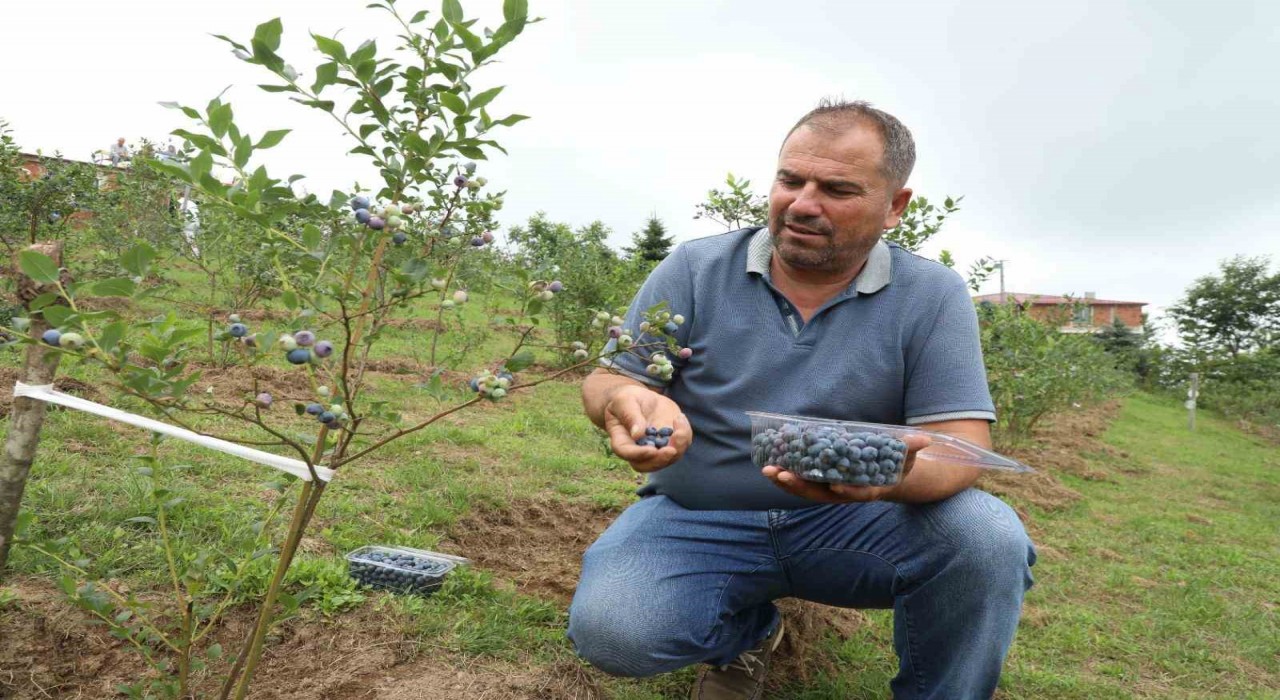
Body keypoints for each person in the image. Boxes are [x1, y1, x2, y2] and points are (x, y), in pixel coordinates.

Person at [567, 99, 1036, 700]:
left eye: (837, 189)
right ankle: (747, 635)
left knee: (986, 538)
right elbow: (611, 377)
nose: (803, 203)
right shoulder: (695, 267)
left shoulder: (931, 295)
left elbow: (964, 447)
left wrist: (883, 479)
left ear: (895, 207)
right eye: (791, 180)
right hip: (698, 516)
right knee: (615, 633)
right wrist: (627, 401)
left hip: (855, 523)